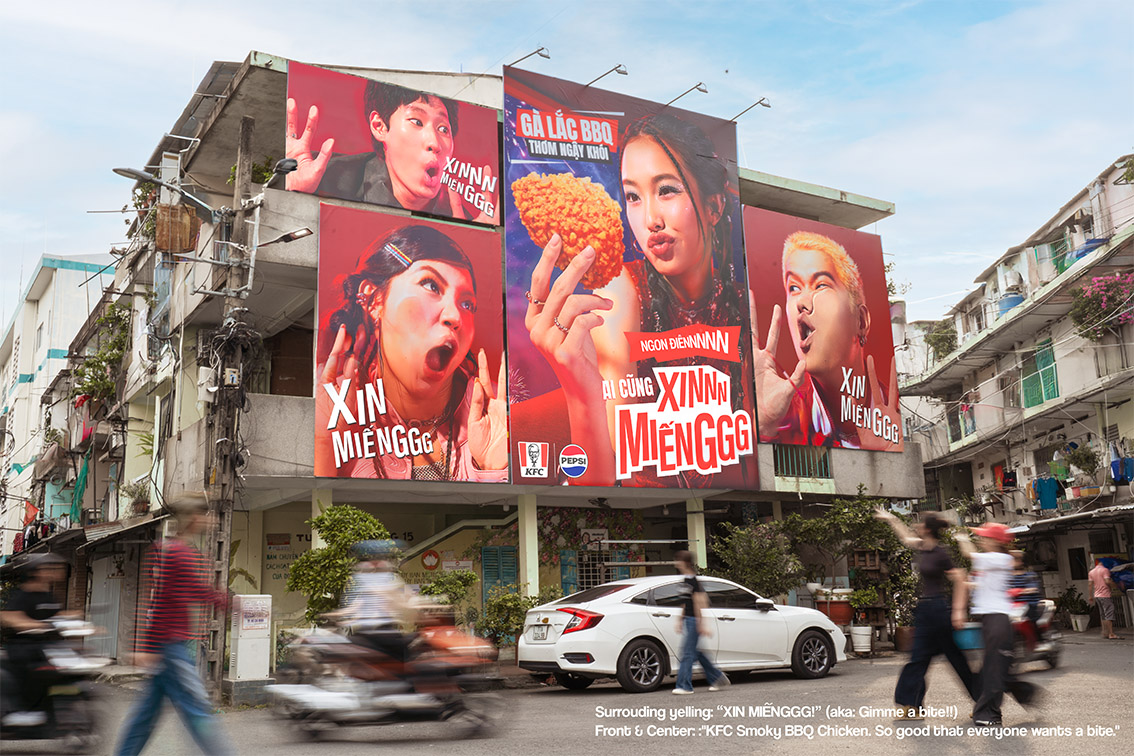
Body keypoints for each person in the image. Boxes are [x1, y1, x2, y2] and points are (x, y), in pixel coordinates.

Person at [525, 113, 753, 486]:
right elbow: (606, 473)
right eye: (633, 196)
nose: (650, 219)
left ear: (713, 207)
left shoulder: (745, 304)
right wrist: (582, 393)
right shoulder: (621, 291)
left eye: (667, 190)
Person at [315, 224, 507, 480]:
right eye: (431, 285)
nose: (455, 316)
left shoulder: (497, 414)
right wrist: (323, 445)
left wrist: (493, 470)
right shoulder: (334, 406)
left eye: (467, 304)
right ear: (374, 300)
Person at [752, 232, 900, 450]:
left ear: (860, 321)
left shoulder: (892, 413)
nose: (801, 302)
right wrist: (762, 427)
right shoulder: (783, 419)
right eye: (794, 288)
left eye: (821, 285)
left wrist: (888, 454)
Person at [115, 493, 232, 756]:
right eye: (207, 515)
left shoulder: (170, 550)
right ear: (194, 518)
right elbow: (171, 601)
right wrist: (235, 604)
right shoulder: (180, 554)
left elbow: (157, 601)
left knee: (145, 715)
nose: (212, 520)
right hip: (171, 649)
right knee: (197, 710)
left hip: (165, 646)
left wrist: (146, 646)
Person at [286, 80, 493, 222]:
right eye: (417, 122)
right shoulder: (327, 180)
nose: (435, 143)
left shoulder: (462, 219)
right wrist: (292, 192)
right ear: (380, 127)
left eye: (443, 129)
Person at [874, 509, 978, 720]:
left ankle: (984, 701)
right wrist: (891, 519)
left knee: (956, 660)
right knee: (917, 658)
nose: (917, 526)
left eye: (920, 524)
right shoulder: (923, 547)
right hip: (925, 612)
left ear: (928, 529)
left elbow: (960, 578)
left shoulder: (940, 553)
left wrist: (958, 611)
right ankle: (912, 706)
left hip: (939, 611)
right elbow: (905, 537)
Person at [956, 522, 1040, 727]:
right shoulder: (992, 561)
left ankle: (989, 714)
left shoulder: (1000, 558)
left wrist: (962, 538)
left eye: (984, 537)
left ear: (995, 541)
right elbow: (980, 586)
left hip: (998, 619)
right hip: (990, 619)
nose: (981, 540)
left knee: (994, 669)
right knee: (994, 666)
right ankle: (1025, 693)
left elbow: (969, 554)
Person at [0, 553, 71, 726]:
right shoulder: (23, 595)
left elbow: (59, 616)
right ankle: (22, 709)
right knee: (31, 666)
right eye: (49, 568)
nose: (54, 572)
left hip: (45, 645)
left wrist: (81, 622)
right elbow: (9, 616)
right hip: (22, 646)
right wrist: (32, 624)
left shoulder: (48, 596)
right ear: (36, 572)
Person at [326, 540, 412, 663]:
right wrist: (339, 615)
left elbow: (400, 600)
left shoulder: (391, 579)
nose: (373, 564)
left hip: (385, 630)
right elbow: (357, 604)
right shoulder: (361, 579)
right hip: (365, 632)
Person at [671, 550, 729, 694]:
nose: (676, 563)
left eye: (678, 560)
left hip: (694, 620)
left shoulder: (693, 581)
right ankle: (718, 678)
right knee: (696, 652)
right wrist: (679, 620)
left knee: (687, 653)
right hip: (688, 620)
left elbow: (699, 602)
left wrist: (701, 623)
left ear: (685, 562)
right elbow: (685, 602)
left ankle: (684, 686)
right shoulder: (685, 580)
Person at [1008, 550, 1044, 648]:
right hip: (1014, 606)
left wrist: (1019, 591)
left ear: (1021, 561)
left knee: (1032, 619)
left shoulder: (1029, 575)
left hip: (1029, 603)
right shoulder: (1009, 577)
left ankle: (1039, 642)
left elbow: (1033, 588)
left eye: (1014, 560)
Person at [1087, 559, 1120, 640]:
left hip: (1097, 596)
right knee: (1109, 613)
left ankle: (1105, 632)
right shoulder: (1105, 570)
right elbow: (1107, 581)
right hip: (1105, 595)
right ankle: (1111, 633)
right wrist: (1116, 585)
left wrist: (1090, 596)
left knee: (1103, 614)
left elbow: (1090, 585)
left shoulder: (1091, 572)